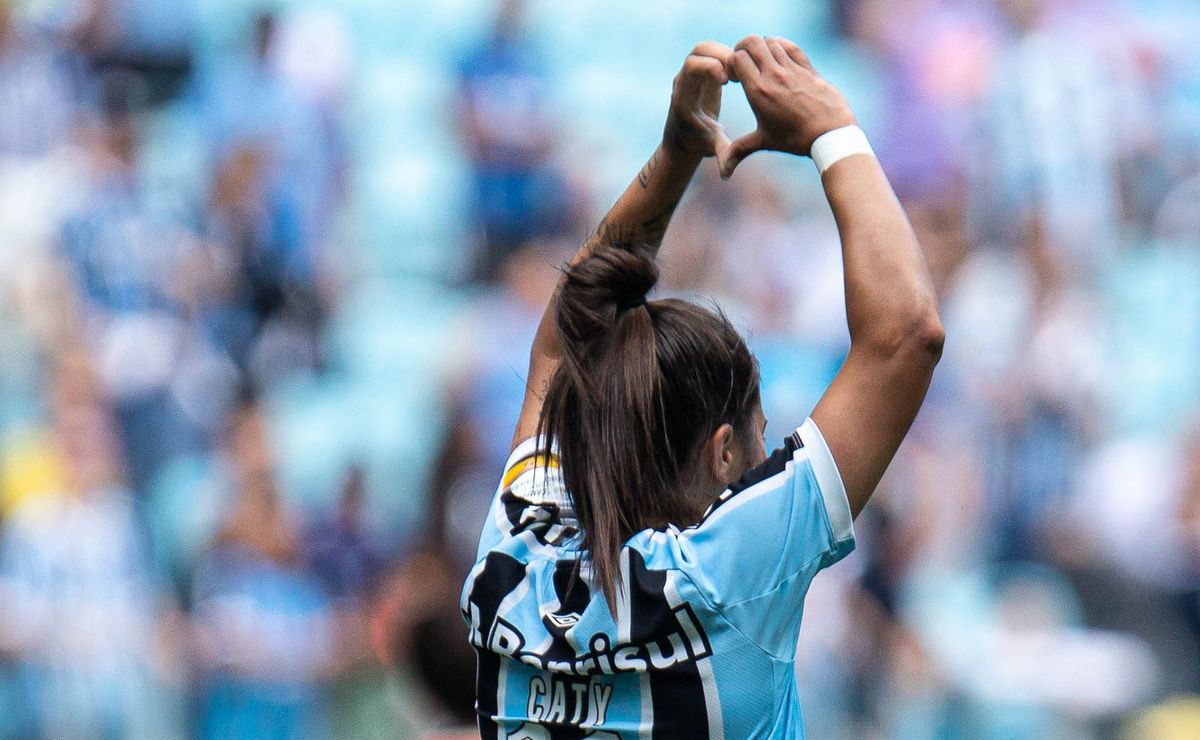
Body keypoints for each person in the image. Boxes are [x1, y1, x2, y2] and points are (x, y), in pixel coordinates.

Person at [461, 36, 944, 738]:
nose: (766, 451)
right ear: (723, 453)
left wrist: (676, 150)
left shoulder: (517, 551)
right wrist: (831, 129)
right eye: (757, 434)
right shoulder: (726, 575)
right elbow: (906, 336)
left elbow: (565, 340)